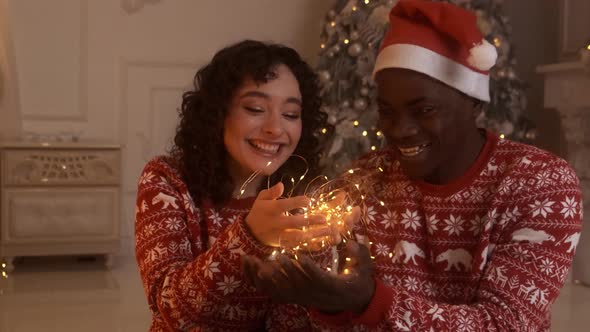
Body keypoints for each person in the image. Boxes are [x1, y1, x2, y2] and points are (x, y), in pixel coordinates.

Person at [241, 1, 583, 331]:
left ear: (473, 102)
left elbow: (505, 325)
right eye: (387, 111)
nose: (400, 130)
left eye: (424, 110)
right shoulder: (365, 181)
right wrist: (321, 302)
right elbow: (304, 319)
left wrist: (371, 302)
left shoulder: (540, 183)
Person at [134, 40, 337, 331]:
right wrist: (249, 237)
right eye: (255, 108)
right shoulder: (167, 181)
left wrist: (318, 262)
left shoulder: (299, 200)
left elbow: (292, 323)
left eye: (291, 114)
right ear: (218, 113)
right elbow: (171, 310)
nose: (275, 129)